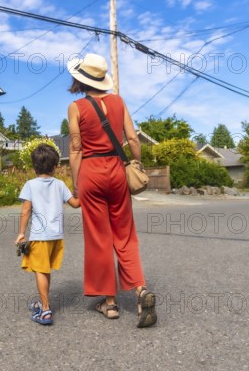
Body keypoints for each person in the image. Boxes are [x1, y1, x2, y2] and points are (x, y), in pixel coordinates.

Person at [66, 53, 157, 328]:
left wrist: (76, 184)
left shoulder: (76, 107)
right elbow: (132, 138)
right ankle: (140, 290)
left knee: (99, 238)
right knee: (125, 235)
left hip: (91, 173)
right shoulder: (118, 101)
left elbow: (75, 149)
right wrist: (137, 164)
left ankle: (110, 303)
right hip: (117, 171)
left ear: (81, 80)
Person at [15, 143, 80, 325]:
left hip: (39, 237)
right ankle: (43, 302)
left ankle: (45, 310)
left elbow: (26, 210)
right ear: (55, 166)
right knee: (45, 270)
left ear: (34, 166)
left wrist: (21, 233)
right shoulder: (60, 185)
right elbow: (76, 203)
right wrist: (79, 189)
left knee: (40, 271)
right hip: (56, 237)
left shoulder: (30, 185)